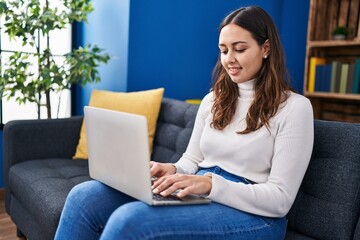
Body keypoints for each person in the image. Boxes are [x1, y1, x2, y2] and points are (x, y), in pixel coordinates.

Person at [55, 5, 314, 240]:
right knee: (84, 197)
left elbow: (280, 200)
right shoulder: (213, 100)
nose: (229, 60)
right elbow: (192, 161)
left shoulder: (294, 108)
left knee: (130, 221)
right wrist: (172, 169)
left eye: (240, 49)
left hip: (257, 217)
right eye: (223, 50)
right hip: (202, 191)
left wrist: (212, 184)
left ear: (266, 48)